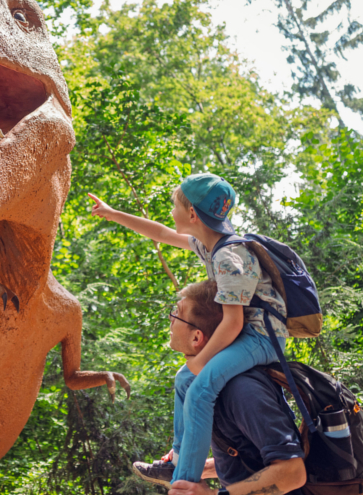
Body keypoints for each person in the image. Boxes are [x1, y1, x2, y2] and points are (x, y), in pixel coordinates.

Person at [88, 173, 290, 486]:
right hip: (248, 333)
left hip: (263, 338)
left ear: (192, 214)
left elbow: (233, 322)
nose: (171, 212)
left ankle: (185, 484)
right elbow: (160, 232)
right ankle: (179, 462)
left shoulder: (228, 256)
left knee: (199, 388)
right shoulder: (210, 245)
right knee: (184, 379)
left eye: (175, 206)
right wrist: (113, 213)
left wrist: (201, 359)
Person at [164, 280, 306, 495]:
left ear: (197, 337)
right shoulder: (210, 387)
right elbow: (248, 456)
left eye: (176, 313)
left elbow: (292, 473)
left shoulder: (242, 390)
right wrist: (203, 467)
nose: (170, 319)